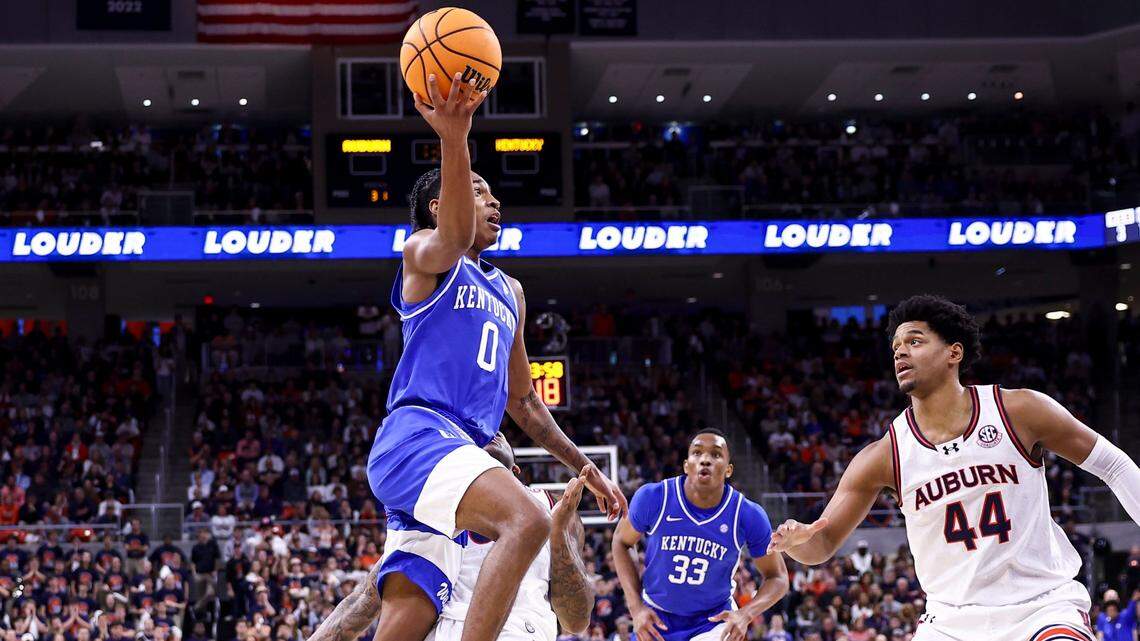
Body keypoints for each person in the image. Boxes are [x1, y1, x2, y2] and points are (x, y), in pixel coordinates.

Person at [357, 72, 625, 641]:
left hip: (460, 459)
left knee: (407, 617)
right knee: (526, 520)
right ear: (439, 205)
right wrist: (455, 138)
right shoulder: (425, 257)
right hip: (420, 438)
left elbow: (525, 402)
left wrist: (584, 465)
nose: (494, 200)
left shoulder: (512, 292)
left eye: (491, 192)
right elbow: (451, 238)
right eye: (478, 191)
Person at [766, 294, 1140, 641]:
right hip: (951, 622)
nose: (900, 353)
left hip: (1042, 607)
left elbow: (1114, 465)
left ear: (954, 352)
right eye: (896, 347)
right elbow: (823, 543)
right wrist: (798, 543)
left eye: (914, 341)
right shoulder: (885, 455)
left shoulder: (1019, 411)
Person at [308, 432, 594, 641]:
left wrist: (558, 537)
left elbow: (576, 621)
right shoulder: (429, 513)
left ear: (515, 471)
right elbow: (359, 606)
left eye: (498, 429)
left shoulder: (553, 507)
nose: (486, 430)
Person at [612, 428, 788, 641]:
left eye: (715, 454)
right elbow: (621, 542)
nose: (705, 459)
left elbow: (778, 577)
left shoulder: (747, 514)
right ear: (686, 465)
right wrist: (636, 608)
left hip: (713, 622)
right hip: (655, 618)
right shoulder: (654, 497)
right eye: (697, 453)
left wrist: (745, 614)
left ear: (728, 469)